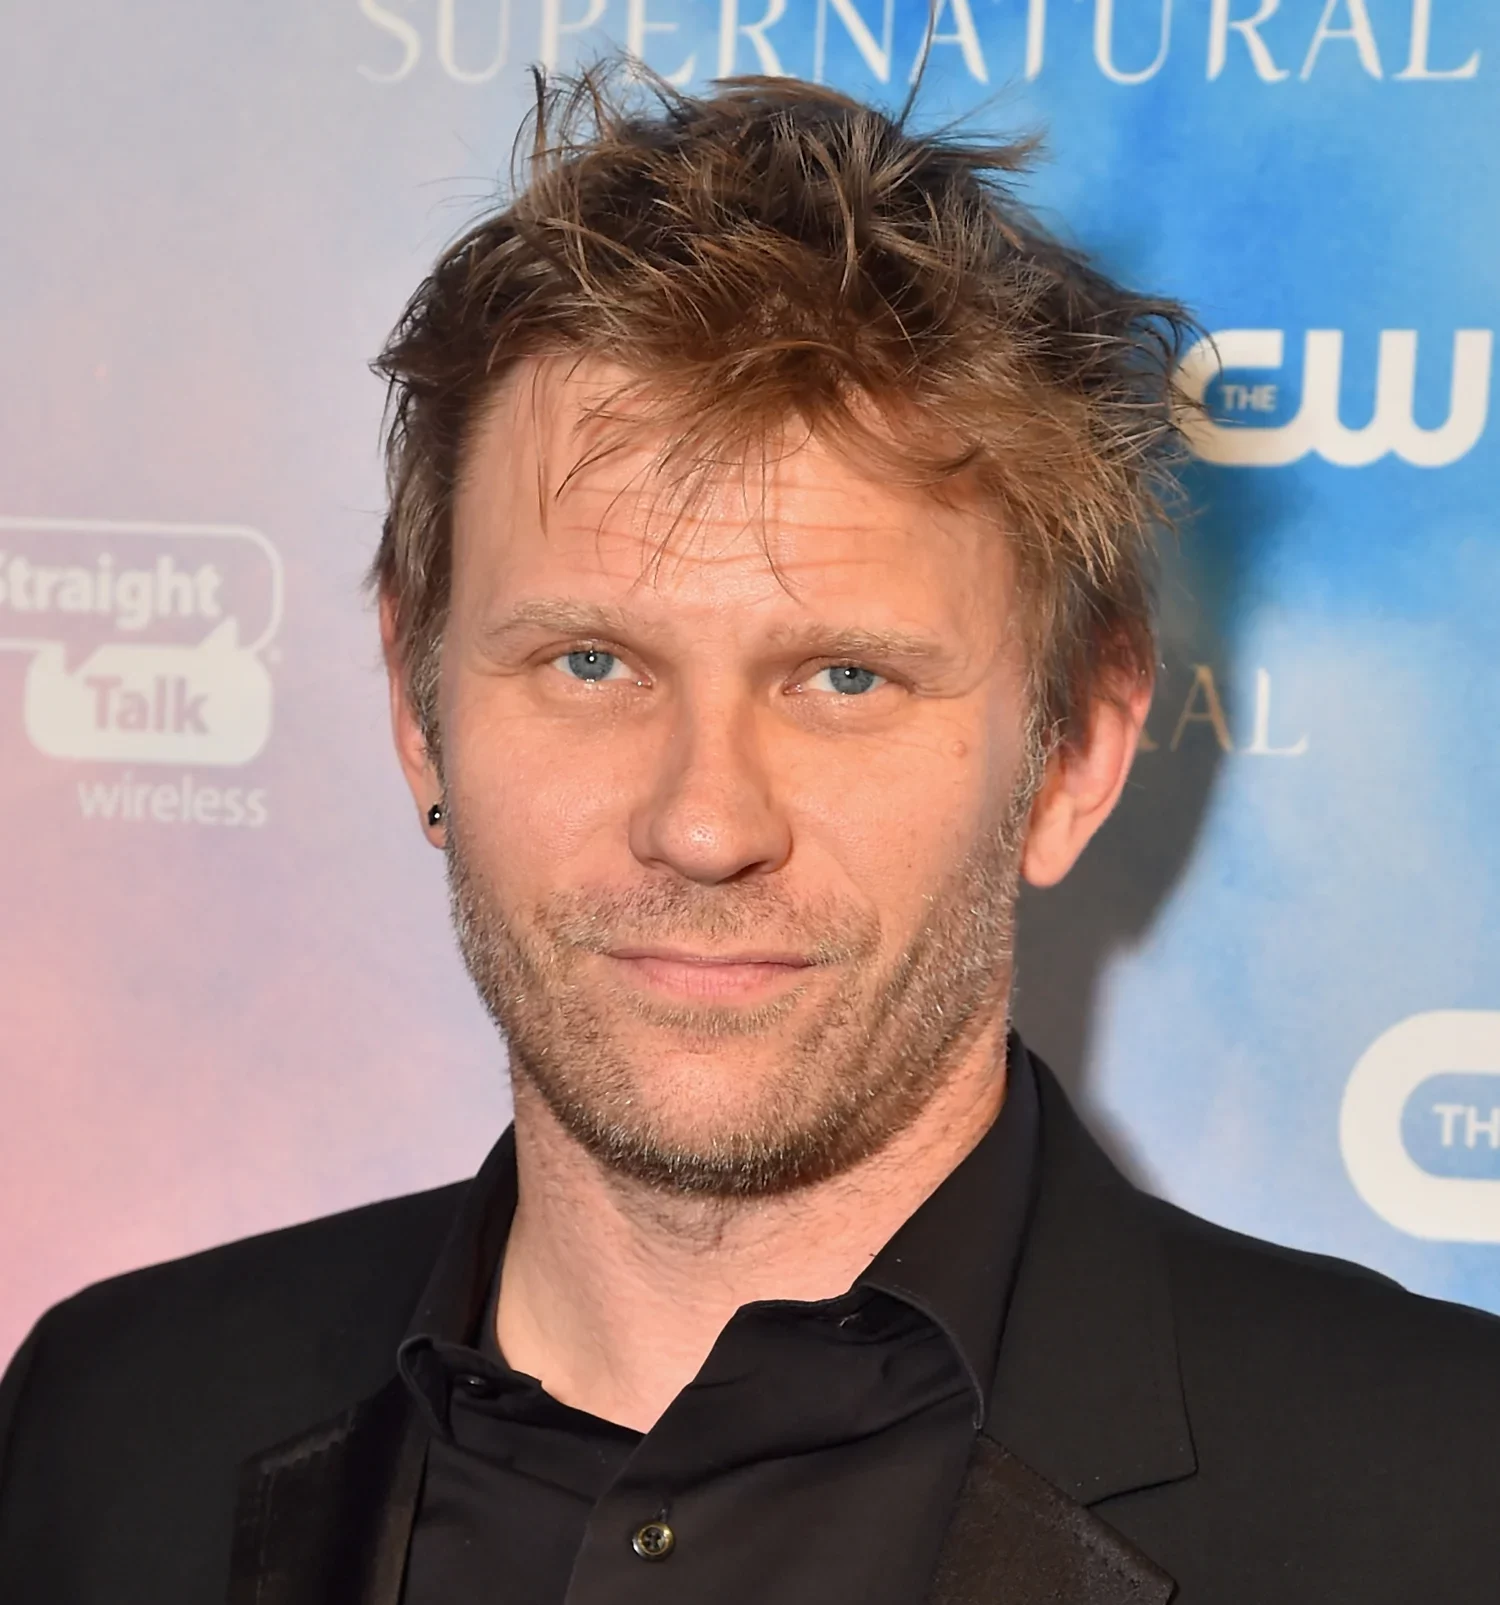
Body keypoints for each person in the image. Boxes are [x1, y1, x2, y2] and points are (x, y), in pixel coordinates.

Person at [2, 67, 1498, 1605]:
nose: (704, 823)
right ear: (416, 702)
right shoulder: (104, 1431)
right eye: (592, 662)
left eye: (844, 678)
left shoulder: (1446, 1508)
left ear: (1077, 752)